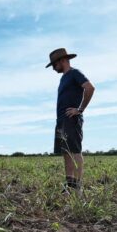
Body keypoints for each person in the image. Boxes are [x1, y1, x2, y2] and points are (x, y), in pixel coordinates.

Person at [46, 48, 95, 193]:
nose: (53, 68)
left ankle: (78, 187)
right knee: (66, 152)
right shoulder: (64, 77)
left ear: (62, 60)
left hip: (71, 119)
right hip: (61, 120)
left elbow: (90, 88)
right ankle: (69, 185)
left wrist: (80, 110)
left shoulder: (75, 73)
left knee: (75, 151)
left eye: (54, 65)